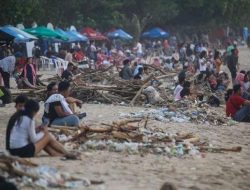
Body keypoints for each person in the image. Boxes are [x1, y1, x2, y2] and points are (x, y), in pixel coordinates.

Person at [6, 100, 77, 158]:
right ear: (34, 111)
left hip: (12, 150)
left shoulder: (18, 117)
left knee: (43, 137)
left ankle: (54, 153)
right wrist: (43, 132)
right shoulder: (30, 120)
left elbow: (23, 133)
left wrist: (37, 130)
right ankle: (66, 153)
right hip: (23, 152)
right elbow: (33, 139)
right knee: (47, 136)